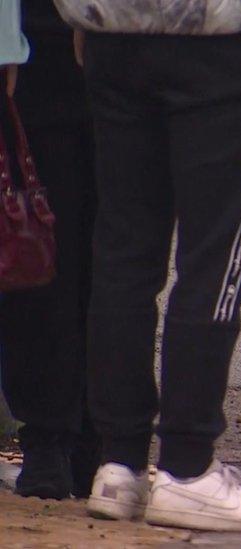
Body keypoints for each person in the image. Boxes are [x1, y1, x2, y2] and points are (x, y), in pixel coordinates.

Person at [53, 1, 241, 531]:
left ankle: (119, 464)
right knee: (218, 258)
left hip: (113, 36)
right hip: (222, 44)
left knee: (124, 254)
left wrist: (82, 14)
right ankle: (188, 469)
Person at [0, 0, 102, 501]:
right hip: (52, 43)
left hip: (99, 43)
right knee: (43, 251)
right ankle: (68, 440)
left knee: (44, 250)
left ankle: (70, 439)